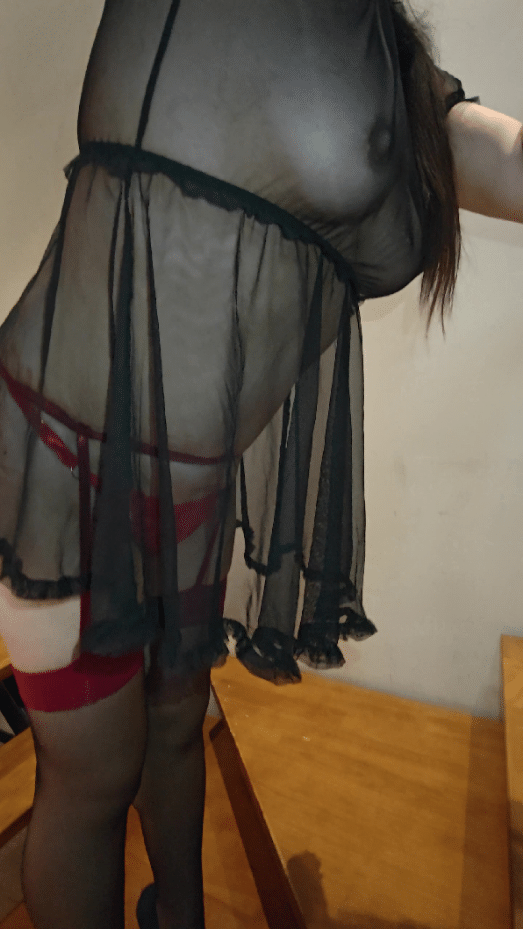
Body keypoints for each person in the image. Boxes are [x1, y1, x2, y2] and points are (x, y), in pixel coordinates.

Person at [0, 0, 521, 927]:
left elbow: (489, 154)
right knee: (92, 778)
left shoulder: (383, 68)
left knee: (176, 723)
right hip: (58, 463)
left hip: (189, 486)